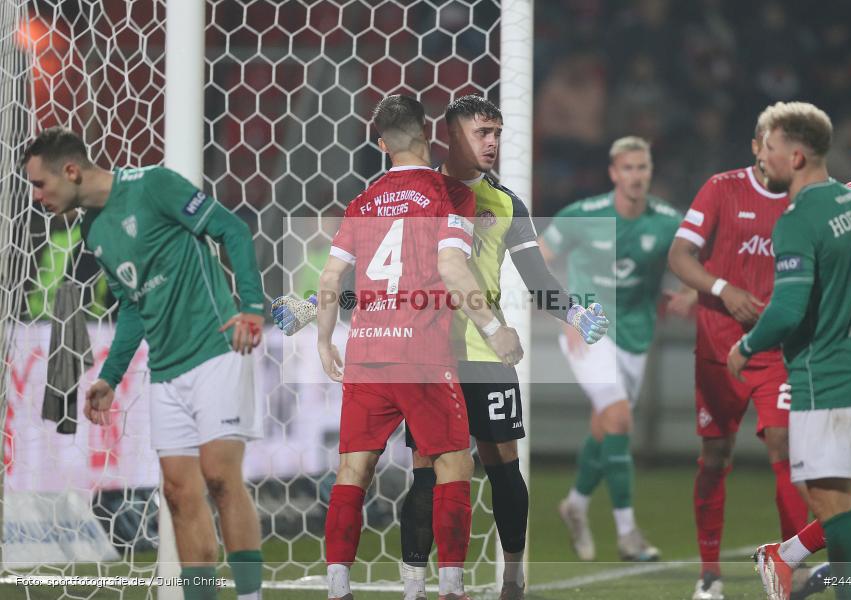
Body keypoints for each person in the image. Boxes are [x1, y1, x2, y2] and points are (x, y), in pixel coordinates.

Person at [22, 127, 266, 600]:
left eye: (40, 184)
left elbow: (231, 229)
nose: (37, 197)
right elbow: (132, 305)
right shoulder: (92, 229)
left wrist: (252, 307)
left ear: (71, 170)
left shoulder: (154, 185)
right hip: (166, 371)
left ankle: (251, 596)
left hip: (216, 351)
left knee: (219, 476)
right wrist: (111, 376)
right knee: (177, 494)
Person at [312, 94, 524, 600]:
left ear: (380, 142)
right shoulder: (446, 193)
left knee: (352, 470)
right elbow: (452, 270)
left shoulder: (362, 202)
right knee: (454, 463)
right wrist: (494, 329)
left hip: (365, 352)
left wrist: (324, 341)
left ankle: (337, 587)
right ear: (427, 134)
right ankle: (450, 586)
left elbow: (330, 277)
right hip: (423, 356)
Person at [397, 95, 609, 600]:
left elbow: (537, 278)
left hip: (488, 355)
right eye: (480, 132)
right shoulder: (418, 193)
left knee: (504, 470)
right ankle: (415, 587)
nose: (491, 142)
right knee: (427, 473)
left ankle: (511, 582)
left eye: (496, 132)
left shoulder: (507, 202)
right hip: (429, 353)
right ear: (450, 133)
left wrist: (574, 312)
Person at [727, 101, 851, 600]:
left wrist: (746, 346)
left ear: (797, 155)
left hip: (827, 375)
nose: (762, 159)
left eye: (770, 148)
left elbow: (787, 310)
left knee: (833, 505)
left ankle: (793, 562)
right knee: (846, 505)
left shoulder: (800, 218)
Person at [667, 106, 809, 600]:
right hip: (718, 347)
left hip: (776, 352)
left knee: (785, 452)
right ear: (755, 147)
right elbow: (679, 255)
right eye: (770, 145)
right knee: (714, 458)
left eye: (788, 148)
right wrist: (723, 288)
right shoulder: (721, 188)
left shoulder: (803, 199)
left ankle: (790, 567)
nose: (779, 156)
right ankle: (709, 573)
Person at [541, 136, 684, 564]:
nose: (636, 176)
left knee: (606, 426)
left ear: (650, 171)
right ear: (613, 173)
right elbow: (536, 260)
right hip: (590, 327)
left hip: (637, 334)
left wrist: (691, 294)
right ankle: (628, 534)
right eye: (628, 168)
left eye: (642, 168)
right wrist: (564, 314)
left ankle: (575, 505)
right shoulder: (582, 216)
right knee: (620, 417)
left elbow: (692, 261)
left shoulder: (666, 221)